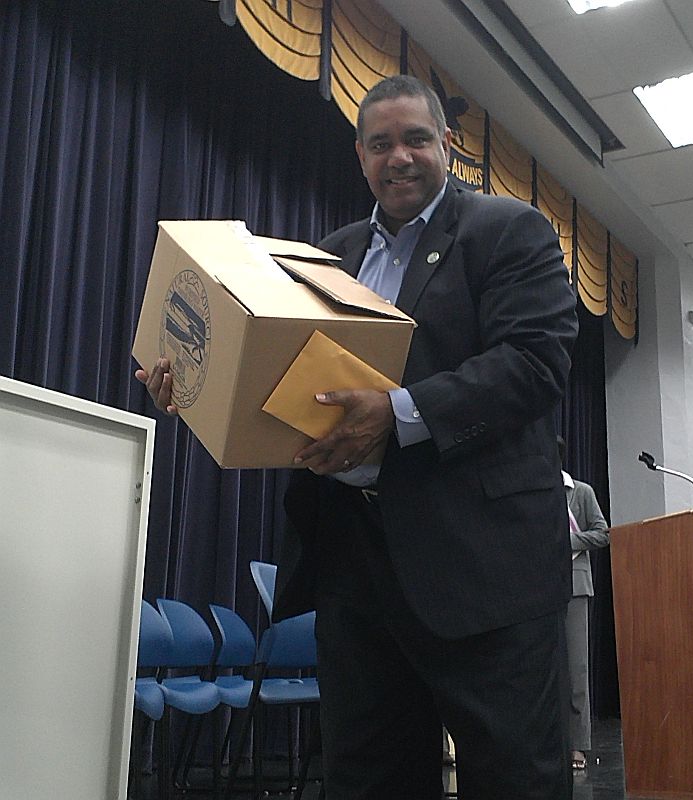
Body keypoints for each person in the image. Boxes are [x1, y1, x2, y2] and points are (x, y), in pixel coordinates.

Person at [137, 75, 578, 799]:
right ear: (360, 156)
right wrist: (196, 383)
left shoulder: (508, 228)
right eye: (380, 145)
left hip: (480, 564)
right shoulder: (324, 256)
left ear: (447, 144)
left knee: (513, 775)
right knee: (366, 775)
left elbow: (534, 363)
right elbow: (275, 378)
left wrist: (398, 412)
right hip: (354, 563)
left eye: (414, 140)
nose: (397, 158)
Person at [556, 435, 609, 773]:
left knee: (576, 669)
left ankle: (578, 745)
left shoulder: (581, 492)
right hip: (537, 588)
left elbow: (603, 533)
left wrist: (566, 541)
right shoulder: (532, 494)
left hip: (575, 586)